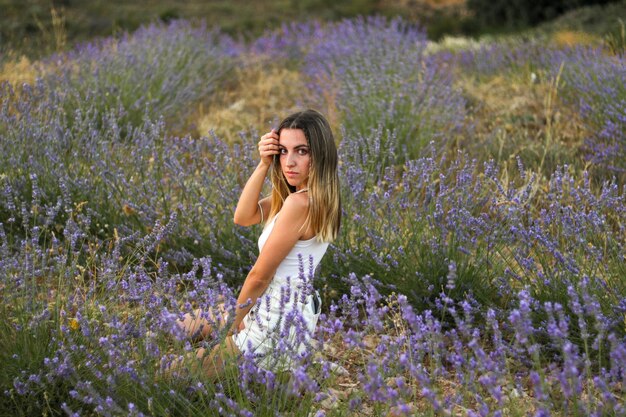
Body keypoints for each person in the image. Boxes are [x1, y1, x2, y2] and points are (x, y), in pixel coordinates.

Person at [176, 109, 341, 377]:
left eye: (302, 151)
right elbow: (243, 216)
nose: (289, 162)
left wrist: (232, 325)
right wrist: (264, 163)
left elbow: (259, 277)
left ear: (320, 155)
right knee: (182, 324)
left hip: (273, 326)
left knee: (170, 374)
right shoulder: (310, 197)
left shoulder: (299, 204)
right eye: (283, 151)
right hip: (286, 313)